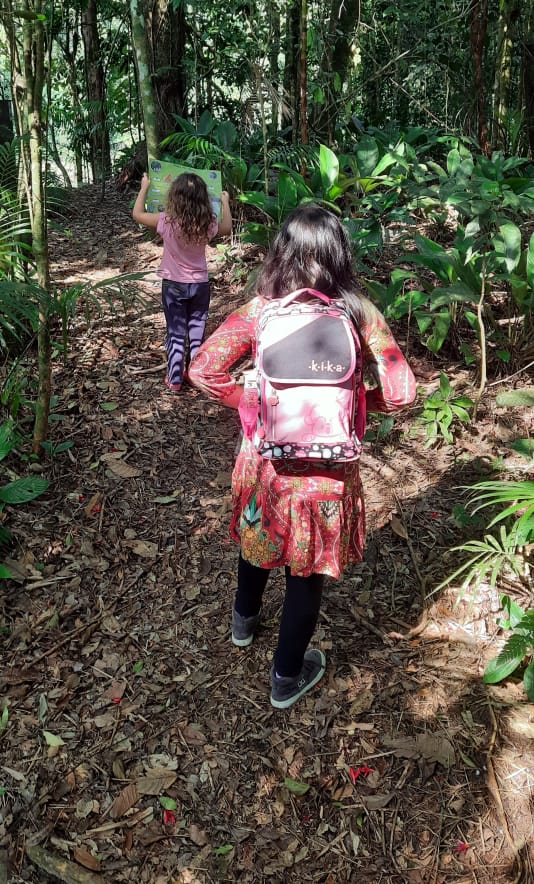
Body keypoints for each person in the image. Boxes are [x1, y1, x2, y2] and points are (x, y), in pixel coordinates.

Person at [188, 204, 417, 708]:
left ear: (281, 252)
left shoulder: (261, 311)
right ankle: (285, 678)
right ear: (339, 254)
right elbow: (402, 391)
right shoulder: (360, 314)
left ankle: (244, 625)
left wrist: (249, 398)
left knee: (257, 539)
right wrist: (361, 401)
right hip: (328, 476)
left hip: (266, 462)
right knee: (306, 575)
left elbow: (203, 371)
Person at [132, 171, 232, 392]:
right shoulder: (208, 223)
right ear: (203, 199)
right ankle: (196, 375)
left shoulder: (166, 221)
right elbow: (227, 228)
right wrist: (225, 203)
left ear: (175, 197)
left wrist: (144, 187)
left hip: (173, 286)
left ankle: (175, 378)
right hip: (200, 285)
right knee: (197, 332)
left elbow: (137, 214)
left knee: (176, 333)